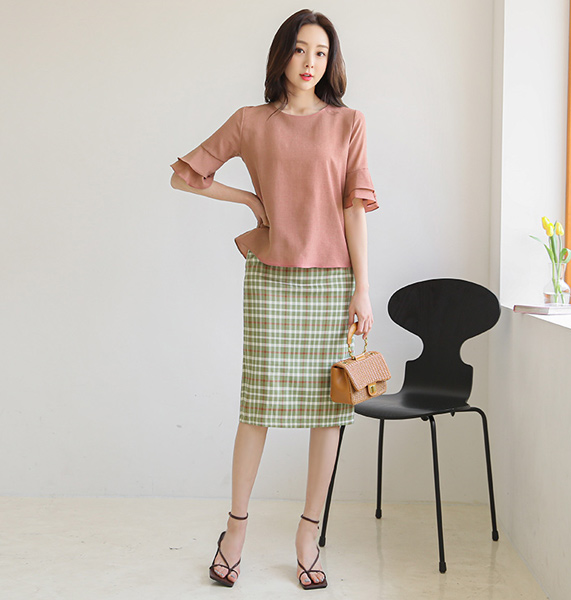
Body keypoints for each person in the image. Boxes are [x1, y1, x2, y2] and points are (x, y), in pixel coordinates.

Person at [169, 8, 378, 590]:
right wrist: (248, 199)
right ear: (282, 54)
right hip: (271, 279)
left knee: (329, 410)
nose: (310, 62)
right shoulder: (251, 121)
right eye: (300, 49)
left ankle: (309, 534)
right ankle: (235, 531)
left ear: (331, 61)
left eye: (321, 52)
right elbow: (184, 176)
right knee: (257, 405)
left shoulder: (349, 122)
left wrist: (363, 288)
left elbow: (354, 210)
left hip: (333, 281)